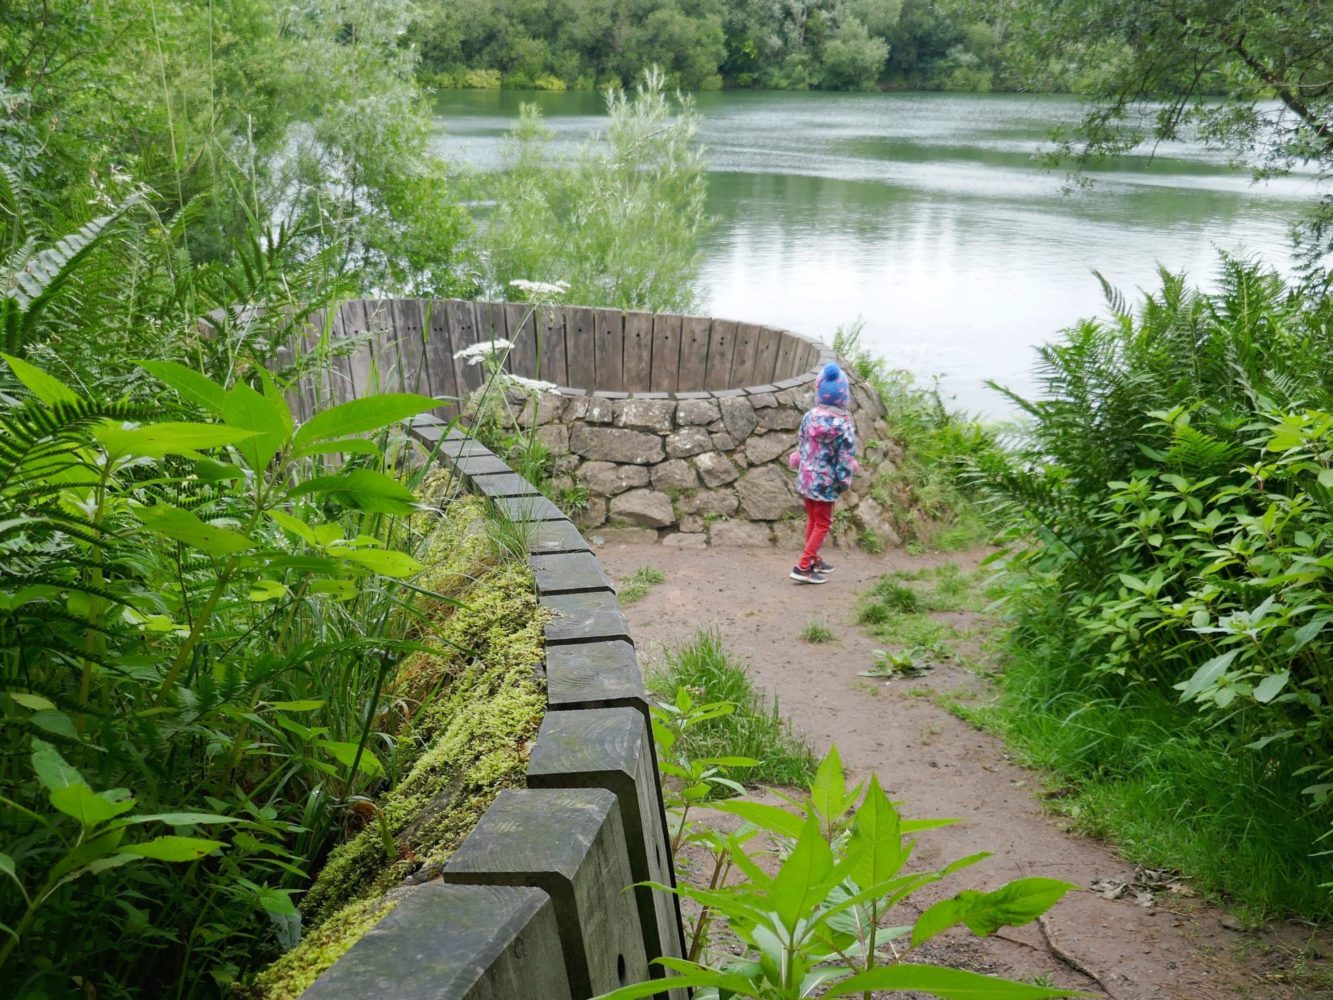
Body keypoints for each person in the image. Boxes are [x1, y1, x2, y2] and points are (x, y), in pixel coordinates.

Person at [787, 362, 859, 584]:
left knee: (813, 519)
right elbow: (844, 458)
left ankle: (815, 560)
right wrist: (846, 478)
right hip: (826, 483)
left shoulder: (809, 416)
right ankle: (803, 566)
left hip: (807, 478)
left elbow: (802, 442)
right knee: (823, 524)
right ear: (843, 397)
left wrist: (799, 460)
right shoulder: (843, 425)